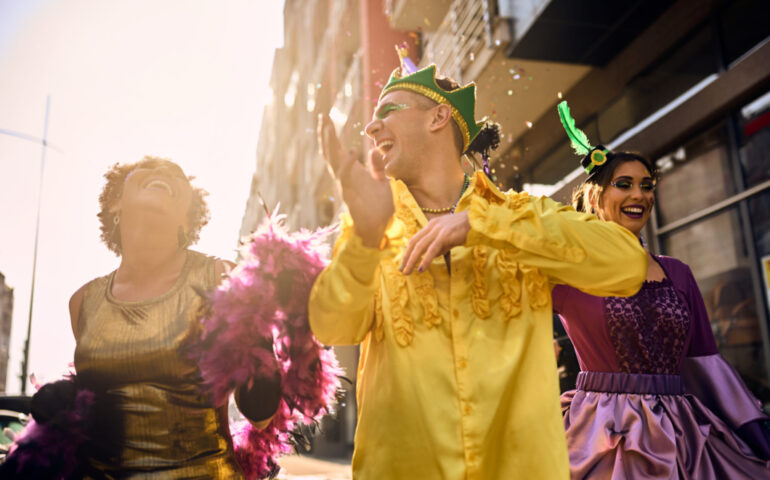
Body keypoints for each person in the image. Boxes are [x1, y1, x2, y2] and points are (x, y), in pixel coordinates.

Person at [309, 58, 649, 479]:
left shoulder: (521, 216)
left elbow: (628, 264)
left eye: (389, 111)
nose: (371, 129)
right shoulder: (374, 224)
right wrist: (363, 238)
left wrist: (483, 224)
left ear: (438, 117)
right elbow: (332, 327)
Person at [553, 101, 770, 479]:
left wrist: (755, 431)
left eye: (647, 186)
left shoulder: (677, 273)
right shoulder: (567, 271)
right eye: (624, 185)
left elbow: (706, 362)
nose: (640, 195)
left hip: (683, 435)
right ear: (594, 196)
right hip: (601, 437)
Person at [64, 156, 282, 477]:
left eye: (176, 175)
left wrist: (258, 338)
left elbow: (261, 415)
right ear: (115, 203)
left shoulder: (221, 279)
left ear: (186, 220)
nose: (164, 172)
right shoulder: (83, 302)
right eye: (148, 168)